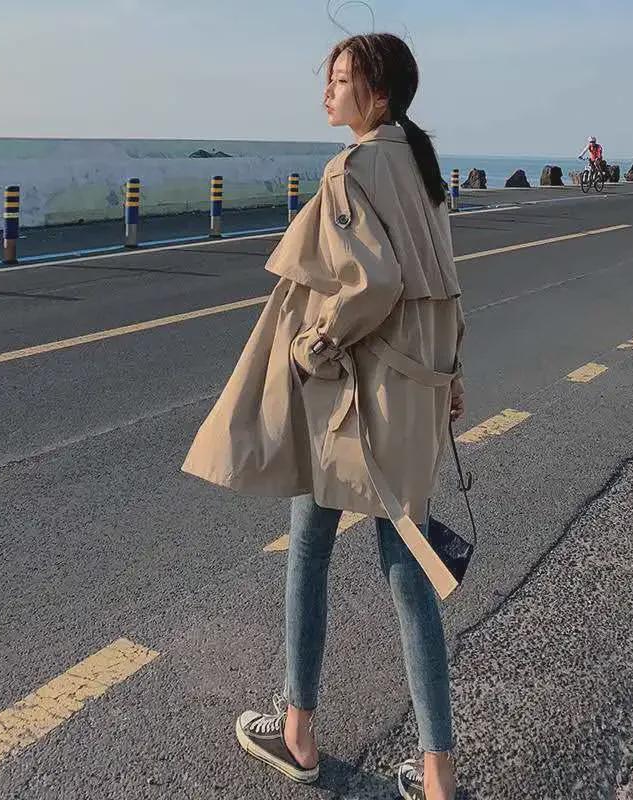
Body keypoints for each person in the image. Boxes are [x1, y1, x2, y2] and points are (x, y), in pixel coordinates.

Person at [182, 32, 465, 800]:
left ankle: (299, 732)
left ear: (378, 93)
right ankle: (438, 778)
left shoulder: (352, 169)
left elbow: (372, 283)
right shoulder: (423, 168)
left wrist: (314, 344)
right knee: (409, 571)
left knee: (309, 547)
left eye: (340, 80)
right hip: (416, 395)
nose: (328, 92)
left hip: (357, 403)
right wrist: (453, 376)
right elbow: (444, 284)